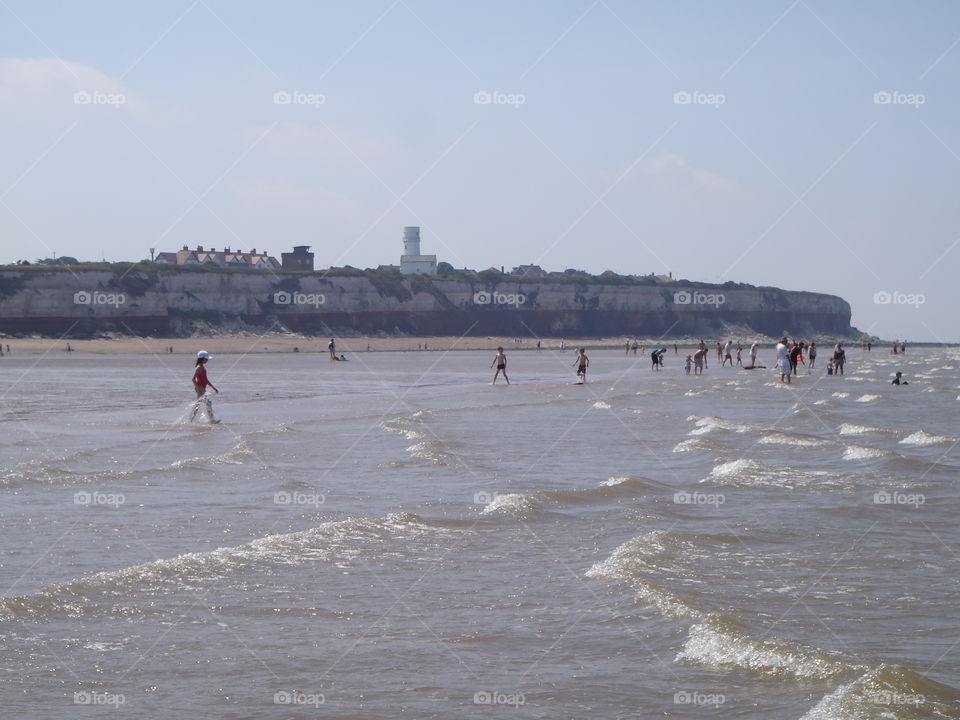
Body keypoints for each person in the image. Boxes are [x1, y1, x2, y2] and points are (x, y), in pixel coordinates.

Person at [190, 351, 219, 423]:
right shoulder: (199, 368)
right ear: (202, 359)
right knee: (208, 403)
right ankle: (212, 419)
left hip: (202, 388)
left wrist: (214, 388)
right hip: (200, 388)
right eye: (206, 359)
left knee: (198, 404)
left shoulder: (202, 367)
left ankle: (191, 419)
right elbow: (193, 379)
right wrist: (197, 388)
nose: (207, 360)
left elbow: (206, 380)